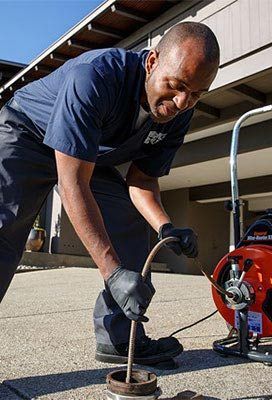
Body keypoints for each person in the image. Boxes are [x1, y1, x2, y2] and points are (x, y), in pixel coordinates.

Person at [0, 22, 219, 366]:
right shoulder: (95, 77)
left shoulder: (179, 113)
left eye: (195, 94)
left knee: (130, 221)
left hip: (90, 153)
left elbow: (142, 182)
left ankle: (119, 341)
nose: (181, 102)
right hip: (26, 134)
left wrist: (166, 227)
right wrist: (113, 272)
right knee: (4, 229)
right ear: (151, 62)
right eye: (176, 86)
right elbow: (73, 184)